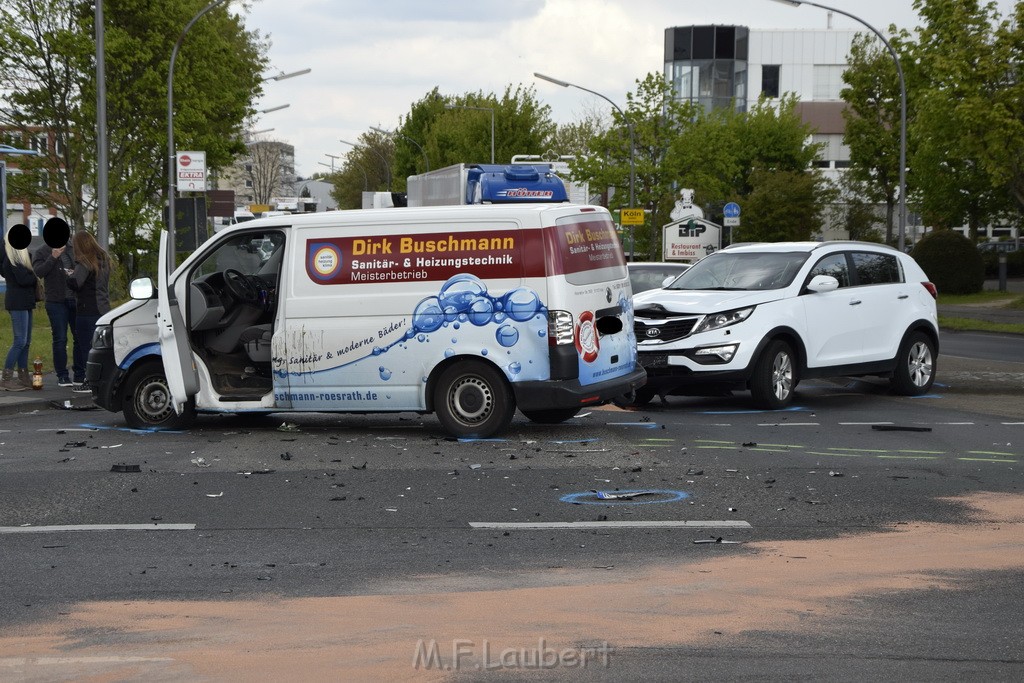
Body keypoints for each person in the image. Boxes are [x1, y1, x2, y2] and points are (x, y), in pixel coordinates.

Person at [33, 237, 84, 387]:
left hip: (75, 300)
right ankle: (62, 375)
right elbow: (39, 272)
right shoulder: (42, 251)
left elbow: (84, 268)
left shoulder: (74, 248)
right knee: (60, 339)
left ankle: (80, 374)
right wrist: (53, 257)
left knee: (79, 337)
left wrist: (75, 272)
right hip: (56, 301)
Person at [66, 230, 111, 393]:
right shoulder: (104, 260)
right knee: (101, 347)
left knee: (86, 347)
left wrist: (69, 276)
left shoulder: (85, 262)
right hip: (103, 309)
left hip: (87, 310)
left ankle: (90, 381)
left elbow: (76, 283)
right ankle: (103, 378)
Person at [1, 227, 37, 392]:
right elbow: (24, 279)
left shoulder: (22, 257)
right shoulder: (12, 259)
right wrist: (33, 276)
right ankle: (6, 377)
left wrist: (32, 276)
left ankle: (23, 375)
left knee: (26, 342)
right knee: (20, 341)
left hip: (25, 302)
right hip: (17, 302)